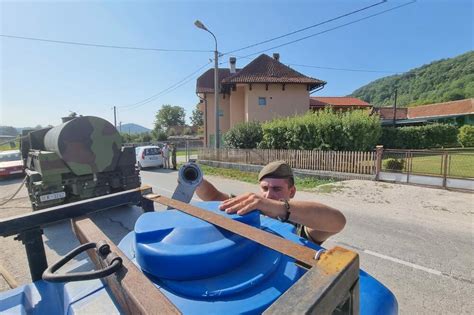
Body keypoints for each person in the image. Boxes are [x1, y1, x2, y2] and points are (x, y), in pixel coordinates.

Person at [195, 160, 346, 245]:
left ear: (291, 192)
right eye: (265, 188)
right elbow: (213, 196)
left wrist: (278, 208)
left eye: (277, 189)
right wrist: (196, 180)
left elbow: (338, 222)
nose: (269, 194)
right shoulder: (250, 208)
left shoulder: (299, 225)